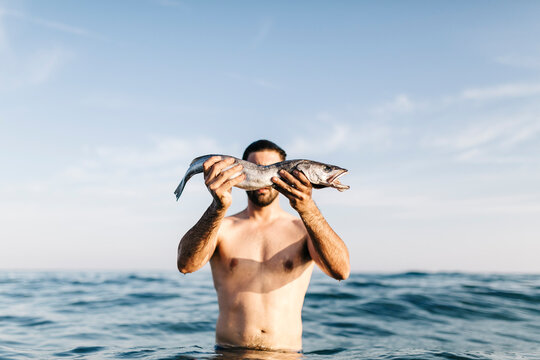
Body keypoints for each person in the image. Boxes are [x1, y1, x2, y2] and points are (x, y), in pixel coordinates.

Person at [177, 139, 350, 353]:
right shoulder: (223, 227)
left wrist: (309, 210)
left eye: (273, 168)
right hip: (229, 355)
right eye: (257, 168)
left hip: (286, 356)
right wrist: (217, 207)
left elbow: (341, 271)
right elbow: (186, 265)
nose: (266, 175)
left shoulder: (304, 229)